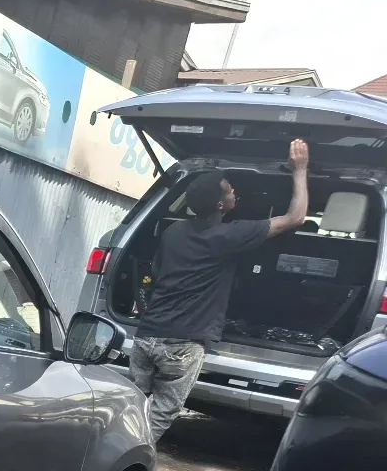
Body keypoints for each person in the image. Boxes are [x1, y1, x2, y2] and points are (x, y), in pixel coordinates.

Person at [131, 138, 310, 443]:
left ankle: (111, 454)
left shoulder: (174, 231)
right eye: (229, 190)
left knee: (133, 406)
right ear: (220, 205)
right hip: (182, 346)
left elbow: (157, 274)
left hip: (145, 338)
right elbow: (296, 218)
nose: (234, 192)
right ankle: (126, 462)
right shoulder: (231, 235)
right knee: (162, 411)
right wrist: (301, 169)